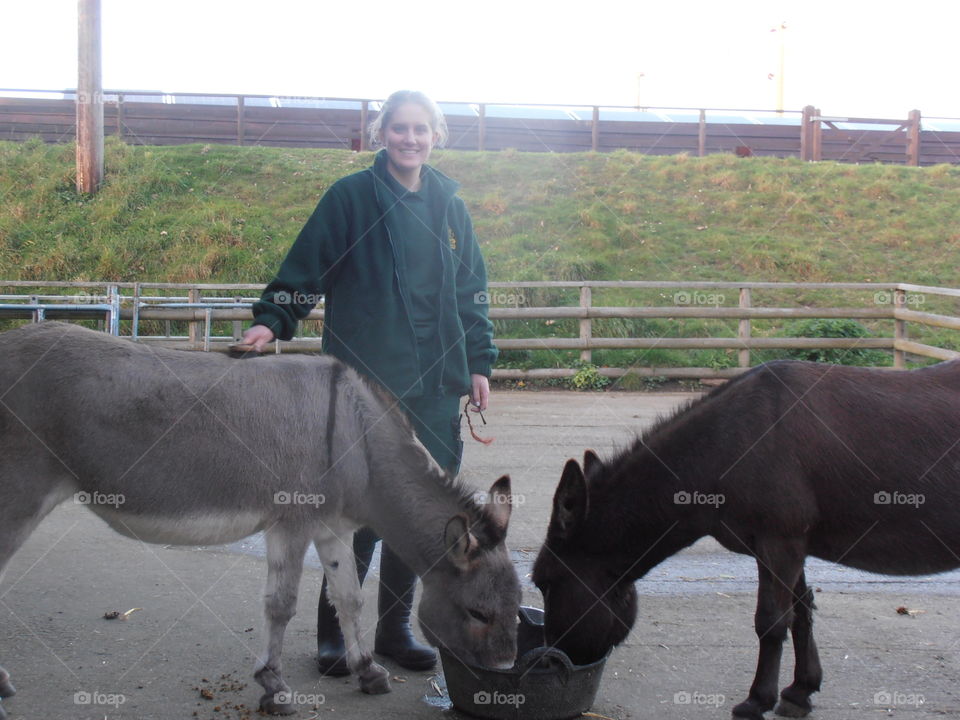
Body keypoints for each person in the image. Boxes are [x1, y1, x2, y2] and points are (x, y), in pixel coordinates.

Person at [240, 90, 497, 675]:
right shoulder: (349, 199)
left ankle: (393, 630)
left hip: (434, 385)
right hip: (363, 383)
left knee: (419, 512)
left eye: (421, 129)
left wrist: (479, 361)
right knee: (353, 510)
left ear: (436, 135)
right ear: (382, 133)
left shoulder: (451, 205)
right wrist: (271, 320)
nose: (410, 139)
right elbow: (306, 268)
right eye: (400, 128)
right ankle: (337, 632)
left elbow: (472, 288)